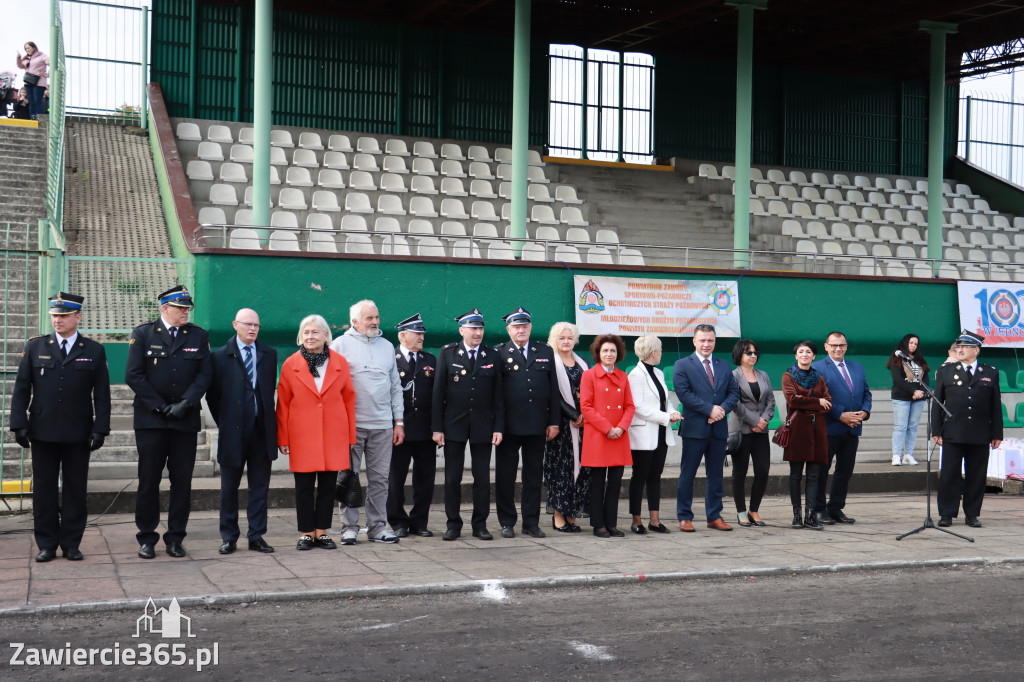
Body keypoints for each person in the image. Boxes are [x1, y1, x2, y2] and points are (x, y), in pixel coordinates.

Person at [10, 293, 110, 562]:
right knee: (43, 490)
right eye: (54, 315)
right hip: (42, 430)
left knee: (76, 489)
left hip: (78, 431)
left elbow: (101, 394)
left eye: (64, 316)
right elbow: (21, 389)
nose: (58, 320)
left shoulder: (93, 350)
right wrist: (19, 424)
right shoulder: (35, 347)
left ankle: (71, 543)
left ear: (77, 317)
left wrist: (100, 428)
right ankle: (46, 543)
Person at [126, 285, 212, 559]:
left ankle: (175, 537)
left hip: (184, 420)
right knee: (148, 481)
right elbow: (134, 375)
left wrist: (186, 403)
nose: (186, 312)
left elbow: (204, 374)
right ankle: (147, 538)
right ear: (165, 308)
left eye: (187, 308)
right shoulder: (143, 334)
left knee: (182, 482)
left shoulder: (198, 335)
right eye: (181, 308)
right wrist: (161, 406)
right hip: (152, 420)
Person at [277, 314, 357, 550]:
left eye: (315, 332)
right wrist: (283, 437)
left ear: (325, 335)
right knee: (303, 487)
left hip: (334, 434)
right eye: (306, 332)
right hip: (301, 435)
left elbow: (349, 400)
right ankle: (306, 533)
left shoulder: (340, 363)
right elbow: (282, 404)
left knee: (327, 487)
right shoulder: (291, 364)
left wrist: (350, 437)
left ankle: (322, 532)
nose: (310, 336)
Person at [330, 300, 403, 545]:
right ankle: (349, 527)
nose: (375, 322)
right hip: (352, 426)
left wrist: (399, 421)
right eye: (369, 318)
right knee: (348, 476)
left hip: (382, 425)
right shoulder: (339, 345)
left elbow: (395, 387)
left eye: (376, 316)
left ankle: (378, 528)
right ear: (354, 322)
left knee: (380, 479)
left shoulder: (387, 346)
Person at [206, 309, 278, 555]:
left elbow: (268, 393)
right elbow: (213, 397)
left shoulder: (269, 354)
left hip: (261, 431)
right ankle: (229, 536)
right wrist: (226, 422)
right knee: (229, 488)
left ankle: (256, 536)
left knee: (259, 487)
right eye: (248, 324)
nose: (253, 329)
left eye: (257, 325)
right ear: (235, 324)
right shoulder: (219, 356)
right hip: (233, 432)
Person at [432, 308, 504, 541]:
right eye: (473, 328)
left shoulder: (492, 355)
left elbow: (498, 396)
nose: (478, 332)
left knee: (482, 478)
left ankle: (480, 524)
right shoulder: (448, 354)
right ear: (461, 329)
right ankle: (453, 524)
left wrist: (498, 427)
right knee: (452, 477)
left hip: (483, 425)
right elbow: (438, 394)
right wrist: (437, 428)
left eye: (480, 328)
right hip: (454, 424)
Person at [494, 306, 560, 539]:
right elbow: (496, 395)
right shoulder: (499, 352)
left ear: (530, 327)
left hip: (537, 425)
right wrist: (498, 427)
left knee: (533, 477)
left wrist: (554, 422)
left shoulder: (545, 350)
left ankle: (531, 522)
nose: (521, 330)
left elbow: (553, 390)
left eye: (524, 326)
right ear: (508, 329)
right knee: (505, 477)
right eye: (516, 326)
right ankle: (507, 521)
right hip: (509, 427)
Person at [673, 323, 740, 532]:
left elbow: (733, 393)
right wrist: (710, 410)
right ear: (694, 341)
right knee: (688, 473)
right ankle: (684, 516)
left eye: (710, 340)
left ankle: (714, 516)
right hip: (694, 429)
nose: (706, 344)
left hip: (718, 429)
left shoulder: (723, 365)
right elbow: (684, 395)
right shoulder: (683, 365)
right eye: (702, 340)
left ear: (715, 341)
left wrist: (721, 410)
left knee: (716, 475)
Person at [932, 330, 1002, 528]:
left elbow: (995, 404)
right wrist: (936, 430)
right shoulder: (946, 371)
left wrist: (997, 433)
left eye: (964, 346)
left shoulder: (990, 372)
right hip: (953, 431)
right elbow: (937, 403)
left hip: (980, 433)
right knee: (949, 475)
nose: (959, 349)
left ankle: (972, 514)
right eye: (958, 346)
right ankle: (946, 513)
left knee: (977, 476)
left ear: (976, 350)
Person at [812, 331, 870, 525]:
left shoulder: (857, 367)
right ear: (826, 346)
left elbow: (866, 393)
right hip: (828, 428)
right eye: (834, 345)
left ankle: (836, 508)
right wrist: (840, 415)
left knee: (845, 471)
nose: (838, 349)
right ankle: (818, 509)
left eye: (842, 345)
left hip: (852, 429)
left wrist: (864, 412)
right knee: (821, 471)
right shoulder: (817, 367)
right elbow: (819, 397)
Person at [387, 314, 437, 538]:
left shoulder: (430, 360)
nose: (421, 337)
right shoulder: (391, 358)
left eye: (422, 334)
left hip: (425, 430)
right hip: (400, 429)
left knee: (425, 479)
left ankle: (419, 521)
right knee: (395, 479)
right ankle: (398, 521)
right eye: (417, 333)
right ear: (402, 336)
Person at [580, 334, 635, 537]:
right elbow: (586, 406)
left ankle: (611, 523)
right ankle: (598, 524)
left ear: (618, 353)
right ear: (598, 353)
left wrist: (620, 427)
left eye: (612, 350)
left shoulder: (623, 376)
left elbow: (629, 406)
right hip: (598, 436)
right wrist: (607, 428)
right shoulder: (589, 376)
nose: (609, 354)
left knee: (615, 482)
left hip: (618, 436)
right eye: (605, 350)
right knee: (596, 483)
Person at [627, 335, 681, 535]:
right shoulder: (636, 374)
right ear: (653, 353)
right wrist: (665, 417)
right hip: (643, 433)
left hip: (660, 431)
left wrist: (672, 412)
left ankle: (655, 521)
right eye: (659, 349)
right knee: (639, 477)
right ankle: (636, 521)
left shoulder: (657, 372)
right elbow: (638, 407)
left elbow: (665, 400)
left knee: (655, 477)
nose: (661, 353)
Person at [544, 322, 589, 533]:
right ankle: (559, 514)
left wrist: (584, 416)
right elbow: (552, 395)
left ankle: (572, 512)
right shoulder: (549, 362)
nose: (566, 341)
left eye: (570, 338)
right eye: (562, 338)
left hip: (583, 426)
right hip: (560, 427)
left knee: (580, 470)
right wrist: (573, 415)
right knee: (561, 471)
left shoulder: (583, 363)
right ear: (554, 339)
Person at [782, 341, 832, 530]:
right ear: (796, 356)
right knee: (795, 475)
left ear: (813, 356)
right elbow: (792, 400)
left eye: (808, 352)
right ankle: (797, 516)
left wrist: (813, 403)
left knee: (813, 475)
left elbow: (829, 402)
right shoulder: (788, 376)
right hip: (797, 430)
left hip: (817, 429)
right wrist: (817, 402)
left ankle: (811, 516)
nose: (804, 354)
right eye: (801, 351)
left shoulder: (818, 378)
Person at [728, 339, 775, 527]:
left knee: (763, 471)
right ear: (739, 355)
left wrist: (763, 420)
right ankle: (741, 511)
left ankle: (754, 510)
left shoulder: (763, 375)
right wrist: (755, 421)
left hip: (761, 431)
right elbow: (735, 403)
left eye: (755, 352)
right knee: (740, 472)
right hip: (741, 429)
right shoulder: (733, 376)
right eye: (749, 353)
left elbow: (771, 400)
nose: (753, 356)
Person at [887, 333, 930, 467]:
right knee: (901, 426)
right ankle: (896, 455)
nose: (913, 346)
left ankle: (908, 455)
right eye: (911, 343)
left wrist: (921, 392)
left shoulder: (919, 360)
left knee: (913, 427)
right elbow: (898, 380)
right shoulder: (897, 358)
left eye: (916, 344)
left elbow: (926, 378)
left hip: (918, 398)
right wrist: (913, 391)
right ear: (905, 343)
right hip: (902, 397)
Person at [15, 42, 48, 119]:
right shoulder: (27, 58)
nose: (27, 50)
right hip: (28, 82)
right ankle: (33, 117)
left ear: (34, 47)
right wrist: (19, 58)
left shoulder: (42, 56)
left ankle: (39, 118)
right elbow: (20, 66)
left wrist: (47, 74)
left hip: (39, 82)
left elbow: (52, 64)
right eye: (26, 49)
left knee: (37, 101)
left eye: (28, 48)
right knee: (31, 101)